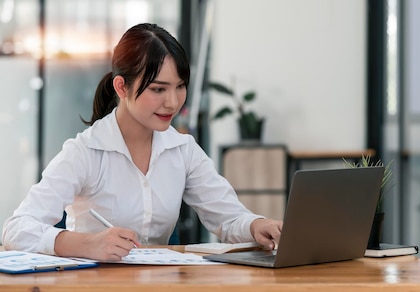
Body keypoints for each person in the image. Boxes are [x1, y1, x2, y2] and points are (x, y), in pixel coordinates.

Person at [2, 23, 282, 261]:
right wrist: (88, 244)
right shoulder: (84, 152)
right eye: (158, 89)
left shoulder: (182, 150)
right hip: (92, 284)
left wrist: (258, 225)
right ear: (122, 87)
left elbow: (229, 218)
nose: (172, 102)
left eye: (180, 86)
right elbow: (16, 230)